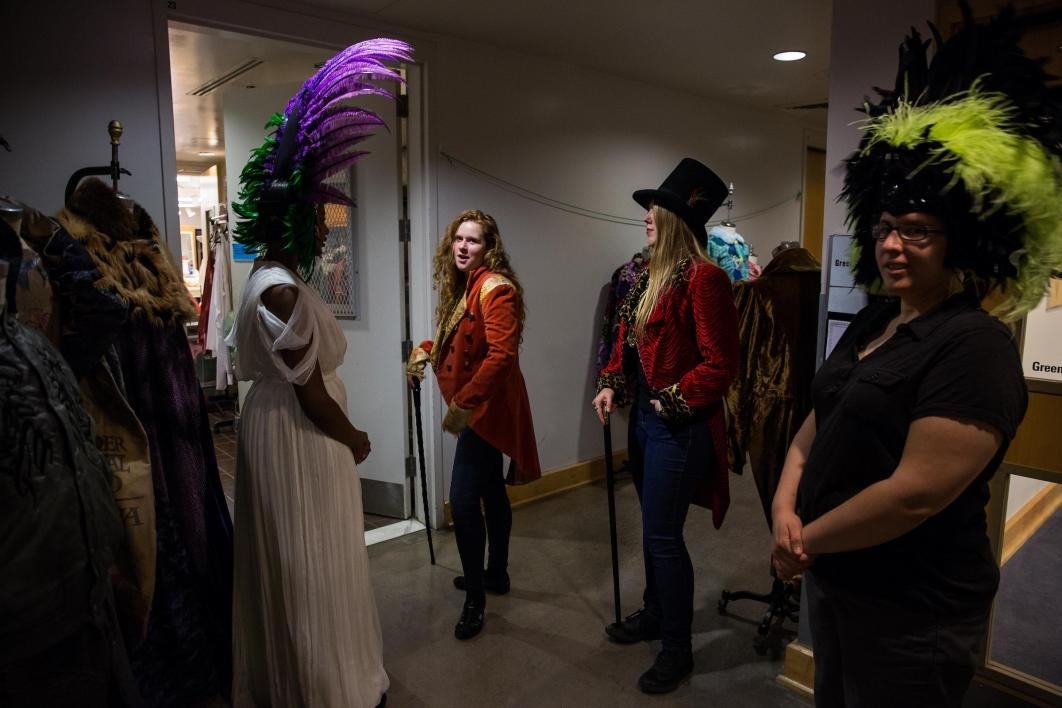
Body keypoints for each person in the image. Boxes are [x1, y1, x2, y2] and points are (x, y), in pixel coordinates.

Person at [770, 9, 1062, 706]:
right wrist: (784, 502)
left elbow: (916, 494)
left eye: (918, 230)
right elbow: (820, 419)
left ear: (962, 239)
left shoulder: (975, 347)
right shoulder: (878, 316)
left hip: (913, 611)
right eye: (884, 228)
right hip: (838, 581)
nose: (892, 245)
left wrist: (803, 538)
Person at [226, 38, 413, 708]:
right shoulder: (284, 292)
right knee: (313, 567)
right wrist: (356, 438)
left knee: (295, 562)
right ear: (293, 218)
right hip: (304, 438)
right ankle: (324, 686)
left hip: (276, 428)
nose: (324, 221)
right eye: (316, 211)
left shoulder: (265, 277)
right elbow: (309, 394)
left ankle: (299, 679)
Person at [592, 158, 739, 695]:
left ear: (678, 220)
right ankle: (655, 613)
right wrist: (610, 382)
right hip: (647, 424)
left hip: (680, 426)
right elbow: (624, 346)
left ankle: (678, 648)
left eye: (655, 211)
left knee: (662, 537)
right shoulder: (646, 276)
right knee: (654, 533)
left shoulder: (705, 279)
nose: (646, 218)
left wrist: (671, 400)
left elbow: (721, 364)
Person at [406, 208, 540, 641]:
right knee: (489, 490)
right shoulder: (470, 284)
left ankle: (476, 599)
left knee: (463, 501)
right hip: (482, 406)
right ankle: (495, 573)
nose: (463, 247)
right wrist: (428, 348)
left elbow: (500, 355)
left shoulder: (495, 288)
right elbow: (464, 337)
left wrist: (464, 402)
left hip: (486, 410)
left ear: (490, 247)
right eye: (459, 239)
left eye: (474, 241)